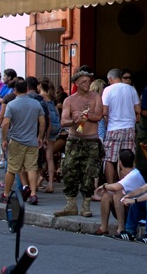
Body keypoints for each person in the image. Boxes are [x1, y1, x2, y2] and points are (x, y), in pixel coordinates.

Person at [54, 70, 104, 218]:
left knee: (89, 173)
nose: (87, 84)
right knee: (69, 170)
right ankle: (71, 204)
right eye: (83, 82)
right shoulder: (69, 100)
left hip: (91, 140)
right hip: (74, 140)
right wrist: (74, 120)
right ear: (76, 83)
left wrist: (87, 115)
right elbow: (63, 121)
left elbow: (99, 116)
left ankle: (86, 205)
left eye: (88, 81)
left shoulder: (96, 97)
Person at [0, 79, 45, 206]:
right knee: (32, 168)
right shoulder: (36, 104)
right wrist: (40, 137)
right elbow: (42, 122)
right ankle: (33, 194)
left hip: (17, 140)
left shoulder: (12, 105)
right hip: (31, 141)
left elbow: (6, 123)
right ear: (27, 89)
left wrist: (4, 139)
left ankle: (6, 194)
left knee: (12, 168)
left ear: (15, 90)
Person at [95, 149, 145, 237]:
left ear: (120, 163)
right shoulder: (129, 174)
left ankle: (121, 228)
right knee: (107, 196)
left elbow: (116, 187)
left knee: (118, 193)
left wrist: (104, 186)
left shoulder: (134, 174)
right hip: (128, 207)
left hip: (138, 211)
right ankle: (104, 227)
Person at [102, 68, 140, 184]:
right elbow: (138, 109)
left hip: (114, 128)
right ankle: (126, 185)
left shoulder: (107, 90)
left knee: (109, 159)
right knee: (128, 158)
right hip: (129, 128)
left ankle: (111, 186)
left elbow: (104, 111)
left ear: (111, 79)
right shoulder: (131, 89)